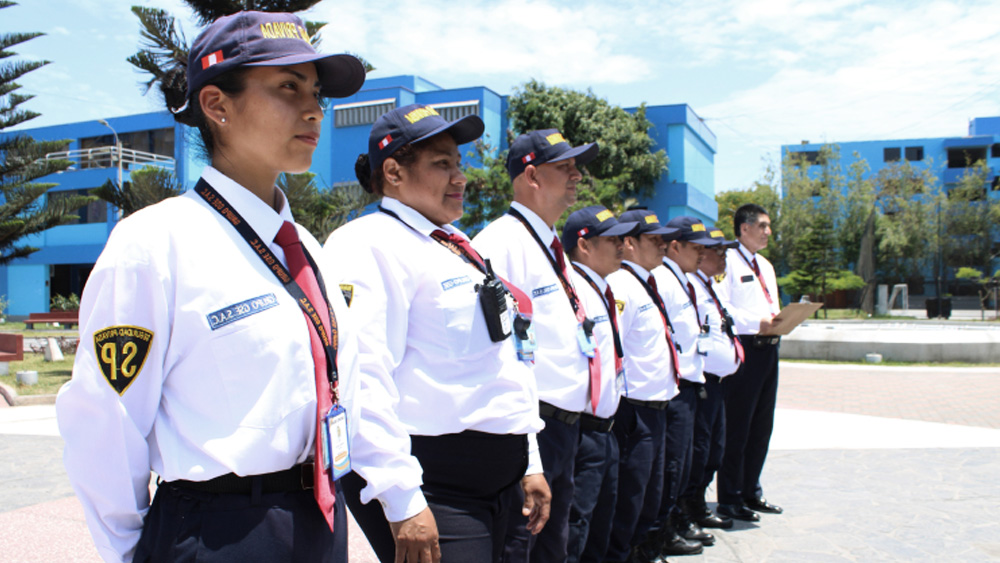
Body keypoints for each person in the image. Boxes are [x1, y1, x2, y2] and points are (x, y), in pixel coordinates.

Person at [56, 11, 366, 562]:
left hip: (318, 517)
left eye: (316, 92)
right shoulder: (154, 244)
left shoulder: (304, 249)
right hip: (218, 532)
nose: (314, 109)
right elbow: (105, 422)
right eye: (288, 87)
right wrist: (127, 553)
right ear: (217, 105)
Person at [322, 104, 550, 563]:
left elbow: (503, 363)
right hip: (438, 488)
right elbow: (363, 380)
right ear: (393, 172)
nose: (460, 177)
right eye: (442, 164)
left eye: (458, 163)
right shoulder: (368, 243)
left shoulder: (455, 248)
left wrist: (529, 460)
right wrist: (403, 499)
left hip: (499, 484)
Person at [472, 128, 599, 562]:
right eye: (565, 167)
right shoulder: (501, 244)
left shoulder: (547, 242)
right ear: (531, 176)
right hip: (533, 428)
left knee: (551, 549)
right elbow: (498, 352)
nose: (577, 175)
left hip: (564, 428)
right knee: (519, 547)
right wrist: (529, 458)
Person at [560, 206, 637, 563]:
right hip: (581, 431)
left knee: (602, 527)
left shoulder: (603, 289)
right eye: (612, 239)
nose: (622, 246)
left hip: (607, 430)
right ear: (584, 245)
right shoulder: (570, 289)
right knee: (575, 529)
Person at [604, 209, 680, 563]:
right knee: (629, 498)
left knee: (650, 494)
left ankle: (638, 552)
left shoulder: (645, 283)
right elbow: (612, 348)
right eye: (654, 239)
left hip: (657, 408)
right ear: (629, 243)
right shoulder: (622, 285)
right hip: (634, 411)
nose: (663, 245)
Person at [650, 216, 716, 557]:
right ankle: (662, 532)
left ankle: (673, 524)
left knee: (685, 462)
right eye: (696, 247)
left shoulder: (683, 280)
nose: (703, 253)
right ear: (675, 246)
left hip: (690, 385)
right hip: (674, 388)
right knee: (672, 465)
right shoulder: (663, 279)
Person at [715, 203, 784, 522]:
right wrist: (756, 322)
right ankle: (730, 496)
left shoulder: (765, 265)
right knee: (738, 426)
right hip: (745, 348)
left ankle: (750, 491)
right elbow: (722, 306)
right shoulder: (726, 261)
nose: (768, 232)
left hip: (769, 348)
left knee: (761, 425)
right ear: (744, 228)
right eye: (763, 226)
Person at [680, 227, 742, 532]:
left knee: (714, 448)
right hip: (702, 381)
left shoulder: (711, 286)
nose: (722, 257)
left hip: (718, 383)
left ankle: (698, 504)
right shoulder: (690, 285)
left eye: (725, 251)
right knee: (699, 449)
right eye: (716, 251)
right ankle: (689, 508)